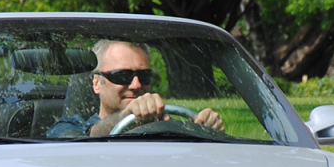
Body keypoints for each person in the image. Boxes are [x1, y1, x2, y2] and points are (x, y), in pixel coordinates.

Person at [49, 39, 223, 138]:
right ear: (96, 83)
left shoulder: (171, 128)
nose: (136, 85)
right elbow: (77, 140)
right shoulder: (68, 127)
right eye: (122, 76)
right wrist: (126, 117)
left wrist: (204, 130)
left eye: (144, 76)